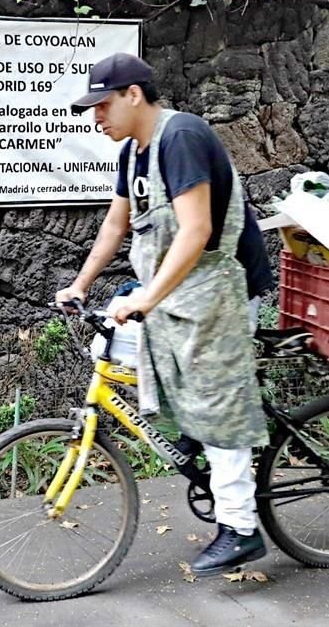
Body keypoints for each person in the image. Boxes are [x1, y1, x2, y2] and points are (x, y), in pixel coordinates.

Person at [56, 52, 274, 577]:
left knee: (215, 401)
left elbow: (196, 230)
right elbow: (115, 225)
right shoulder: (133, 152)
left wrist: (147, 298)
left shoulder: (181, 138)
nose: (96, 117)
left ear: (134, 94)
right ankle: (194, 437)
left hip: (223, 288)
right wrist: (80, 285)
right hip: (182, 290)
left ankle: (241, 528)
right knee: (136, 355)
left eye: (102, 105)